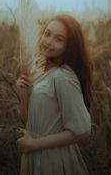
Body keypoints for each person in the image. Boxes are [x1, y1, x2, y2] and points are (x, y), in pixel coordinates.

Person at [16, 13, 93, 175]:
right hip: (36, 156)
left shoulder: (63, 77)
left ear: (69, 46)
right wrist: (24, 95)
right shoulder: (41, 73)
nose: (48, 42)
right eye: (47, 34)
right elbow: (28, 121)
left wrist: (34, 145)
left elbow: (83, 131)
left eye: (58, 39)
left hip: (53, 161)